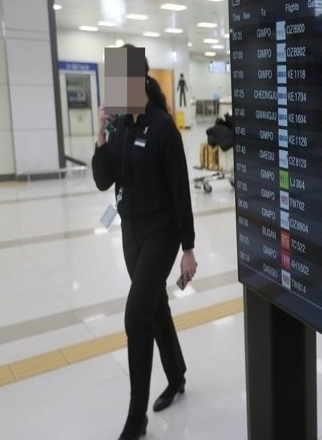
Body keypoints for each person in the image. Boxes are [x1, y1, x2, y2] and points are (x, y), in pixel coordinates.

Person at [93, 52, 197, 440]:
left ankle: (137, 418)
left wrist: (188, 247)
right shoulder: (119, 128)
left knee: (136, 315)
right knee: (155, 306)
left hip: (161, 234)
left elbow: (180, 191)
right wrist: (101, 135)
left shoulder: (163, 128)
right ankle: (178, 375)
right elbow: (104, 181)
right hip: (132, 235)